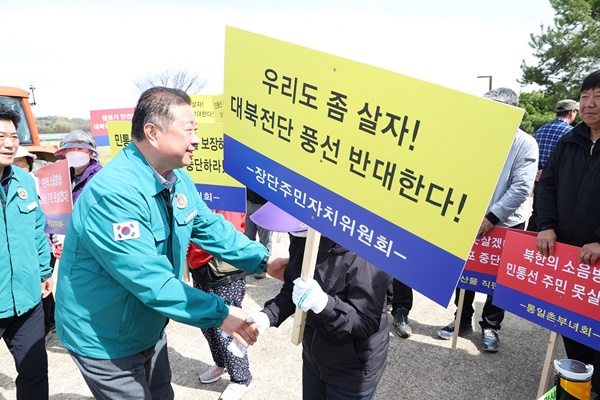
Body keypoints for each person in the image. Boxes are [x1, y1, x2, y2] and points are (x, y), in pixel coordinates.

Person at [54, 87, 287, 400]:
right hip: (105, 335)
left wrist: (265, 262)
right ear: (152, 133)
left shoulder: (175, 177)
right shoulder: (114, 195)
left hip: (146, 324)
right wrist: (222, 313)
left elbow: (209, 226)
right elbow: (151, 281)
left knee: (162, 393)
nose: (197, 139)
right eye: (189, 130)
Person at [247, 202, 390, 400]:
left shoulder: (364, 255)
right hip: (314, 358)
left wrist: (324, 304)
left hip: (352, 369)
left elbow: (365, 322)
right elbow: (293, 288)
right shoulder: (301, 239)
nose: (291, 235)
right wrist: (268, 316)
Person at [436, 88, 539, 352]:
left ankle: (491, 325)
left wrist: (492, 217)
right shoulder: (477, 139)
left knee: (499, 279)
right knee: (465, 272)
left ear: (512, 113)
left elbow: (521, 187)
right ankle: (461, 320)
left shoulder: (525, 143)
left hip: (506, 222)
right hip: (471, 219)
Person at [536, 70, 600, 395]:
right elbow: (547, 184)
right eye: (585, 96)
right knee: (572, 323)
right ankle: (578, 381)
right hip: (568, 257)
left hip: (596, 257)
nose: (589, 104)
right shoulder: (569, 140)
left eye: (598, 97)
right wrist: (545, 225)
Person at [0, 103, 53, 399]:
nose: (9, 144)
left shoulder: (23, 181)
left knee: (35, 372)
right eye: (0, 137)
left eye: (13, 136)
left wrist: (44, 272)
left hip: (27, 299)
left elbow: (36, 230)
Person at [187, 210, 257, 400]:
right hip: (200, 269)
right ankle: (222, 363)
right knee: (207, 324)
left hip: (225, 270)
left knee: (228, 328)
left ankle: (242, 379)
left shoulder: (225, 195)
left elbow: (229, 232)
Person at [527, 99, 578, 231]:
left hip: (537, 179)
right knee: (555, 218)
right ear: (572, 112)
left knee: (537, 212)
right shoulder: (572, 134)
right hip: (557, 183)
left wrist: (537, 171)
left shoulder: (540, 130)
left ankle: (528, 241)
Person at [244, 188, 273, 279]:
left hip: (265, 205)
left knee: (265, 240)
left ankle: (263, 268)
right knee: (247, 238)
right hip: (247, 202)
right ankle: (248, 266)